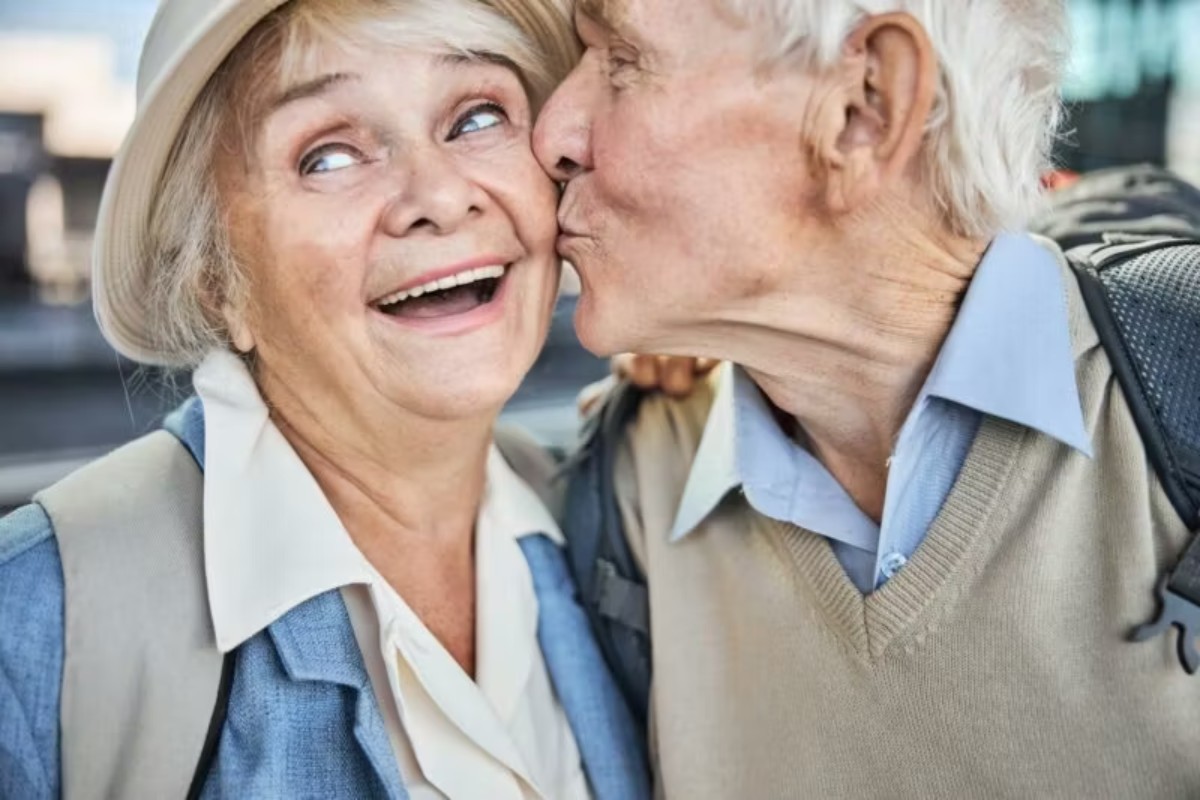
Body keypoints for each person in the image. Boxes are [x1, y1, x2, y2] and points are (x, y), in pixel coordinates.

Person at [534, 1, 1200, 797]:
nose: (552, 135)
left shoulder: (1173, 406)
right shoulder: (627, 486)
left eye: (620, 62)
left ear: (865, 107)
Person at [0, 0, 651, 798]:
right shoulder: (30, 628)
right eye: (329, 158)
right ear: (216, 282)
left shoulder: (610, 514)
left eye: (478, 117)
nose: (440, 197)